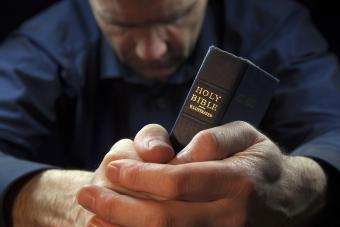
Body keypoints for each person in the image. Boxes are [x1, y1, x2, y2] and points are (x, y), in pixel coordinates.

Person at [0, 0, 339, 226]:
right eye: (119, 24)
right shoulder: (42, 45)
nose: (152, 50)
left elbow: (333, 131)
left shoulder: (274, 27)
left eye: (174, 18)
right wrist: (78, 202)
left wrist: (295, 185)